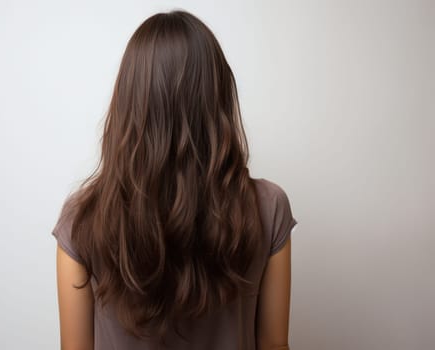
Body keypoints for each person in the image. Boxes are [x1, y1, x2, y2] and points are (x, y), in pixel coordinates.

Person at [52, 9, 298, 350]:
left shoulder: (81, 220)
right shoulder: (268, 207)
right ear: (217, 99)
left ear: (129, 103)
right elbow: (274, 345)